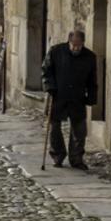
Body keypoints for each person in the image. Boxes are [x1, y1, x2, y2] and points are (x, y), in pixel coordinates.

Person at [42, 29, 97, 169]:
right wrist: (50, 86)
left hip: (77, 97)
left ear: (83, 43)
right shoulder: (56, 52)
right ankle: (58, 155)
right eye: (74, 45)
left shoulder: (89, 57)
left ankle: (76, 158)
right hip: (57, 95)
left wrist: (91, 96)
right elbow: (46, 71)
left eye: (79, 46)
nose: (76, 49)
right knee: (54, 127)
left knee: (79, 130)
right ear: (69, 42)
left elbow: (92, 79)